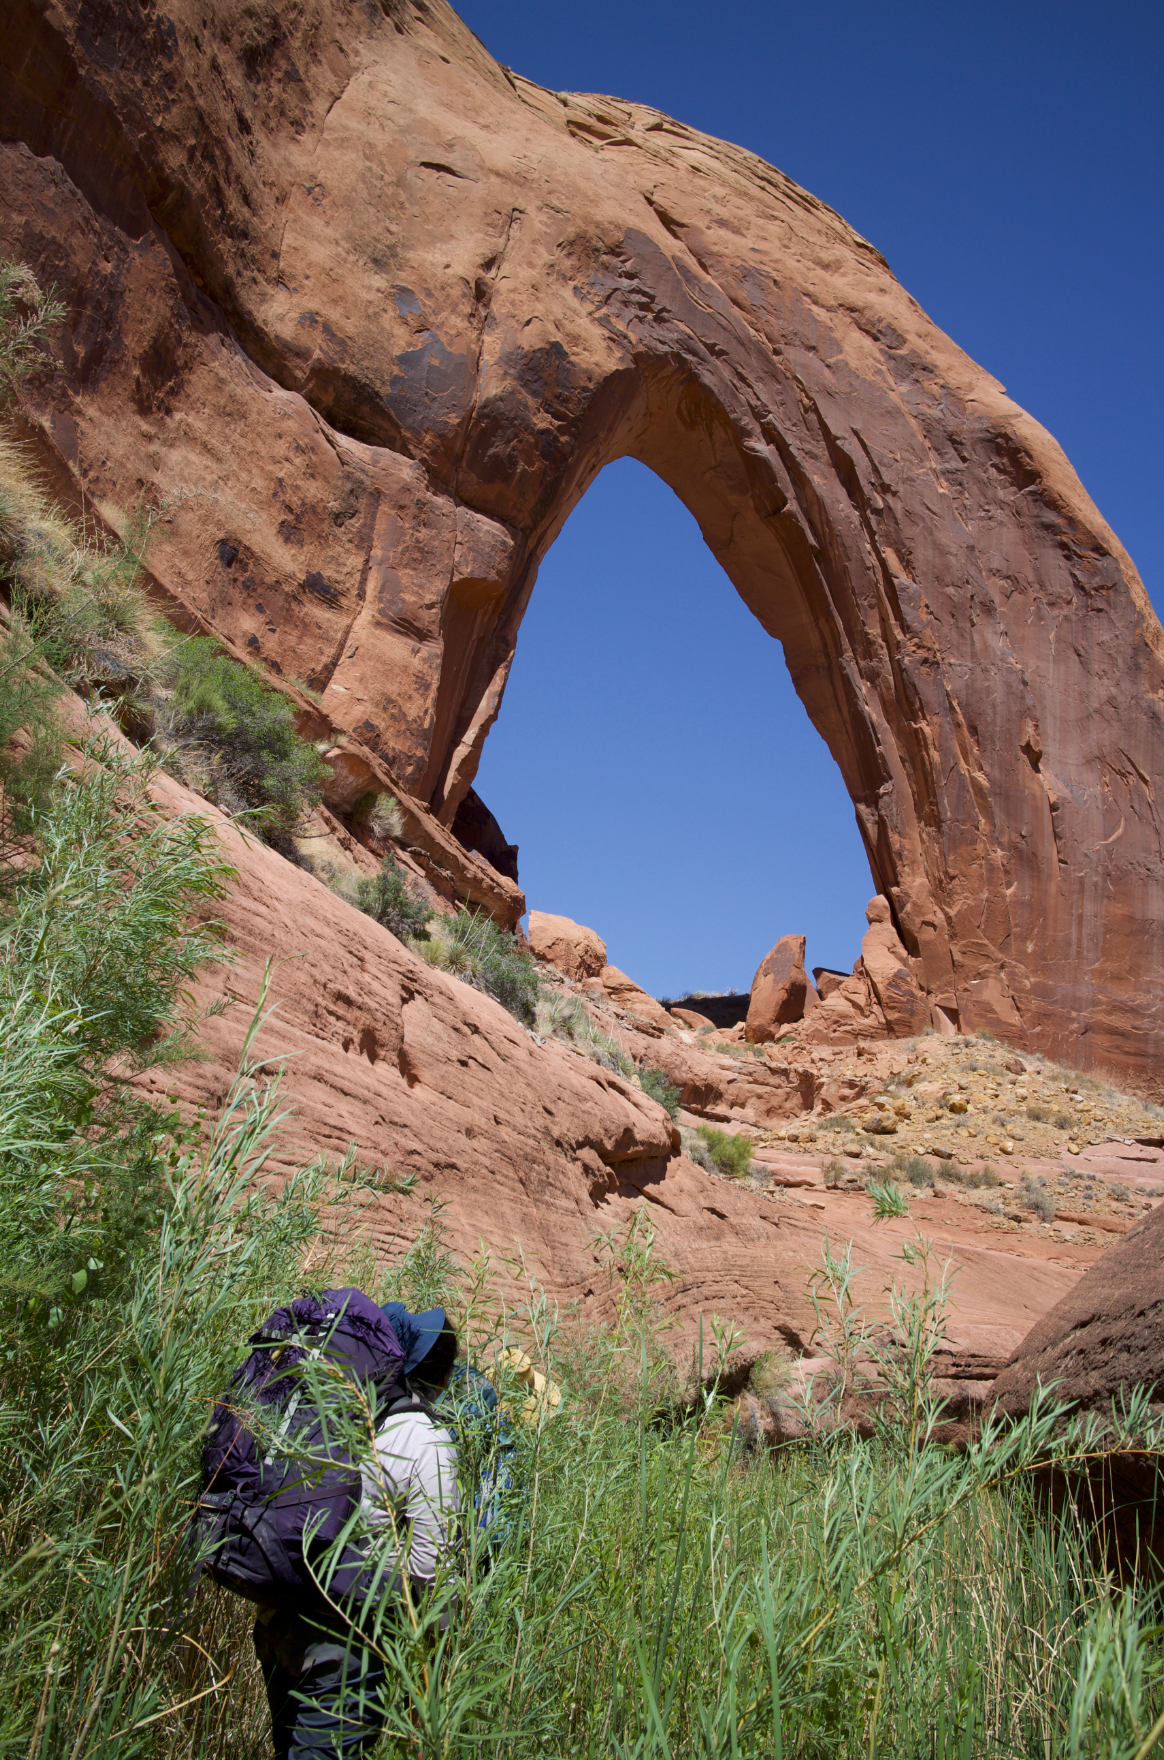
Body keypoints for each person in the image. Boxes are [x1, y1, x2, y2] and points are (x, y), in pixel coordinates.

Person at [253, 1307, 461, 1760]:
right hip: (342, 1643)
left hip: (277, 1617)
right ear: (443, 1376)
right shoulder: (423, 1440)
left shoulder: (335, 1414)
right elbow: (431, 1572)